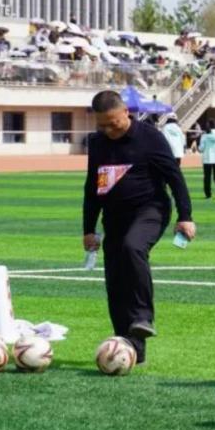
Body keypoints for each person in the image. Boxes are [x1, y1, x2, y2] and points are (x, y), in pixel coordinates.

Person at [82, 90, 194, 366]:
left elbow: (175, 177)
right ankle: (131, 347)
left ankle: (143, 316)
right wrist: (88, 229)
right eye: (102, 125)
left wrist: (185, 216)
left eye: (113, 123)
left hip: (150, 210)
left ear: (126, 113)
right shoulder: (97, 143)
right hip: (114, 217)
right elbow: (92, 187)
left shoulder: (151, 137)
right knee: (116, 278)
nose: (109, 130)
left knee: (133, 247)